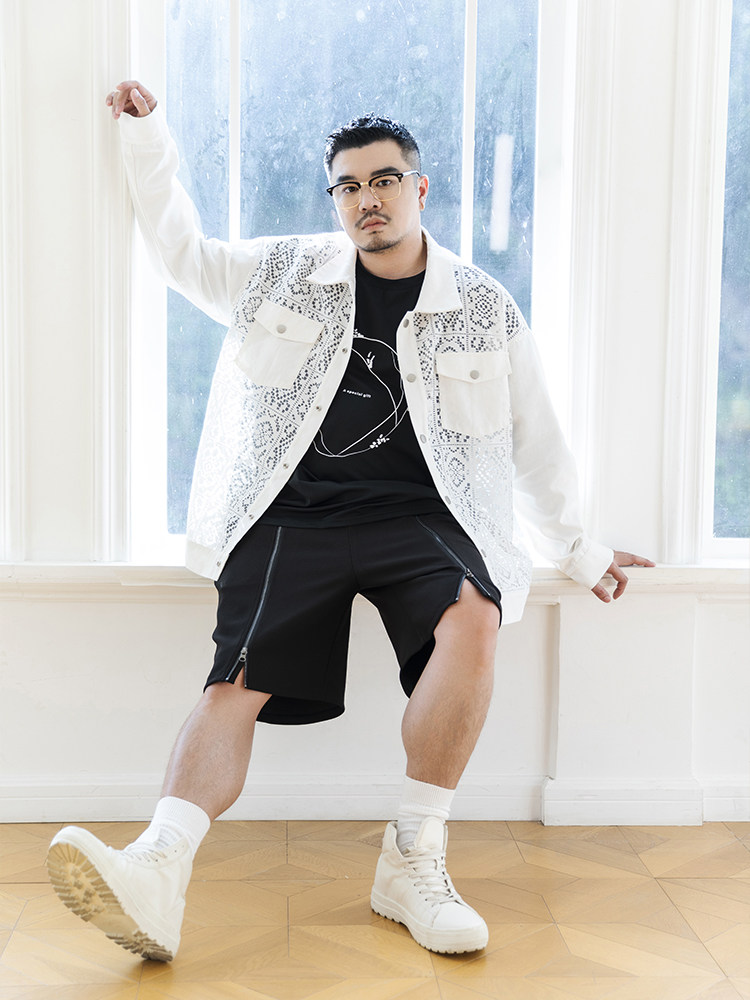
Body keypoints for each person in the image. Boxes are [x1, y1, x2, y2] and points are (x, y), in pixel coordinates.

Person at [46, 82, 653, 963]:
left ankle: (414, 859)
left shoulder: (483, 305)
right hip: (291, 514)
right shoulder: (282, 272)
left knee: (476, 613)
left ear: (420, 188)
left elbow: (535, 439)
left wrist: (580, 549)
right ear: (335, 199)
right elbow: (181, 255)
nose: (367, 199)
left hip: (423, 515)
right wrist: (148, 139)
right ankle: (157, 867)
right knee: (236, 679)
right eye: (349, 186)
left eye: (384, 180)